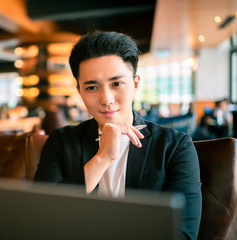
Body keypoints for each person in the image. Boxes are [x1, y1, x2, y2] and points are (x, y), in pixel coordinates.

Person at [33, 31, 201, 240]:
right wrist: (102, 158)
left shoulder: (175, 146)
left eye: (116, 84)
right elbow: (41, 217)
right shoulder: (61, 141)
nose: (106, 99)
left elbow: (183, 232)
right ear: (79, 91)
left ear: (136, 83)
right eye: (92, 87)